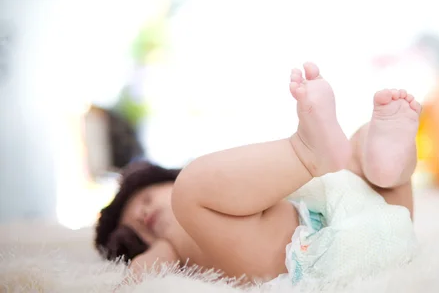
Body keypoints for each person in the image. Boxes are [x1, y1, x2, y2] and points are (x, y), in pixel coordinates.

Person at [95, 62, 421, 285]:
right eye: (135, 226)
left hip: (377, 220)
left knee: (360, 150)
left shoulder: (243, 193)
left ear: (164, 177)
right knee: (191, 188)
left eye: (147, 198)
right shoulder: (172, 245)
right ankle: (307, 151)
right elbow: (143, 271)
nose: (144, 213)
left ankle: (387, 169)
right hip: (302, 258)